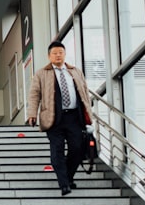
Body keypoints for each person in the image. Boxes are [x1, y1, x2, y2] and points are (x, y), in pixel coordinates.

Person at [26, 40, 94, 195]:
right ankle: (64, 184)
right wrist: (32, 114)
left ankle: (68, 178)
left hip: (74, 118)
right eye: (54, 53)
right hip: (53, 118)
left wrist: (89, 116)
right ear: (49, 56)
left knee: (77, 149)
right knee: (57, 151)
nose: (58, 55)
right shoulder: (42, 73)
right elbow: (34, 95)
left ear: (64, 54)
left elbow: (84, 93)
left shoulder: (75, 71)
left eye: (60, 52)